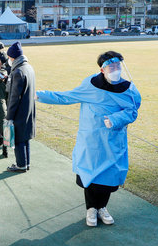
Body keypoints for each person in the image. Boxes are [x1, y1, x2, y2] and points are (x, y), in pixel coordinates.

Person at [36, 51, 141, 226]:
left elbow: (132, 111)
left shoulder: (128, 89)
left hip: (113, 141)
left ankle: (102, 208)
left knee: (108, 177)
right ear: (102, 70)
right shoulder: (91, 85)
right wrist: (40, 95)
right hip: (91, 140)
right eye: (111, 67)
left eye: (118, 66)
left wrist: (115, 119)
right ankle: (91, 209)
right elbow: (66, 97)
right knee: (90, 176)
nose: (115, 70)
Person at [5, 42, 36, 173]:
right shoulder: (28, 67)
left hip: (20, 110)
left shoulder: (17, 71)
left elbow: (14, 96)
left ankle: (21, 165)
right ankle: (26, 163)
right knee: (25, 137)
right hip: (29, 107)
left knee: (18, 138)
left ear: (13, 57)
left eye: (9, 57)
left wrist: (9, 116)